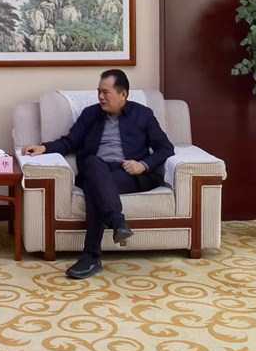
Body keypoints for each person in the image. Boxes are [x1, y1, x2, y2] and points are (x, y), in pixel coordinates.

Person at [22, 69, 174, 281]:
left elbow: (166, 148)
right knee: (93, 165)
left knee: (95, 190)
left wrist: (143, 165)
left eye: (106, 92)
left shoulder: (143, 114)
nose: (101, 97)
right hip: (96, 169)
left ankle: (91, 258)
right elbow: (70, 142)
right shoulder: (90, 114)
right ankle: (116, 221)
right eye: (99, 92)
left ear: (123, 94)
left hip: (129, 174)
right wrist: (44, 148)